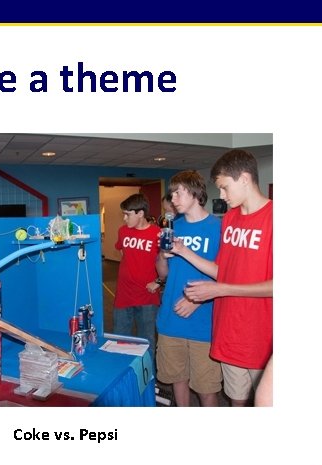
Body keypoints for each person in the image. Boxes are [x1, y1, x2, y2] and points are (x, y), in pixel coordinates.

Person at [171, 149, 273, 406]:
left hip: (263, 336)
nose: (222, 195)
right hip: (229, 331)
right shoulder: (229, 219)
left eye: (225, 187)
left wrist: (221, 289)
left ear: (244, 179)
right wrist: (183, 251)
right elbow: (221, 271)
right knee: (236, 402)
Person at [156, 170, 222, 406]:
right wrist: (163, 256)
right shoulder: (173, 227)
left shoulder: (219, 228)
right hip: (170, 319)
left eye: (178, 193)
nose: (173, 199)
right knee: (178, 380)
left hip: (203, 324)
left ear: (195, 192)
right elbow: (162, 274)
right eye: (171, 194)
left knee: (207, 389)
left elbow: (226, 275)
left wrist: (197, 300)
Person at [113, 193, 161, 355]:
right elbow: (123, 252)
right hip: (124, 295)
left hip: (147, 296)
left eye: (128, 214)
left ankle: (147, 371)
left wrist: (158, 282)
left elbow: (168, 263)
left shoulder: (158, 234)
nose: (124, 218)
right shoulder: (123, 231)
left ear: (140, 213)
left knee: (146, 341)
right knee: (120, 340)